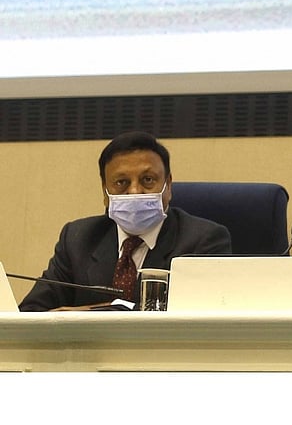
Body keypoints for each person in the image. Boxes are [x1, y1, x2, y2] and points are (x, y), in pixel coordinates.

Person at [19, 131, 232, 311]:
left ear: (168, 185)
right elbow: (30, 312)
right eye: (122, 182)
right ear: (105, 192)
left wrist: (93, 312)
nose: (135, 191)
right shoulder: (78, 239)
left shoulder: (203, 240)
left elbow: (200, 314)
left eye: (147, 180)